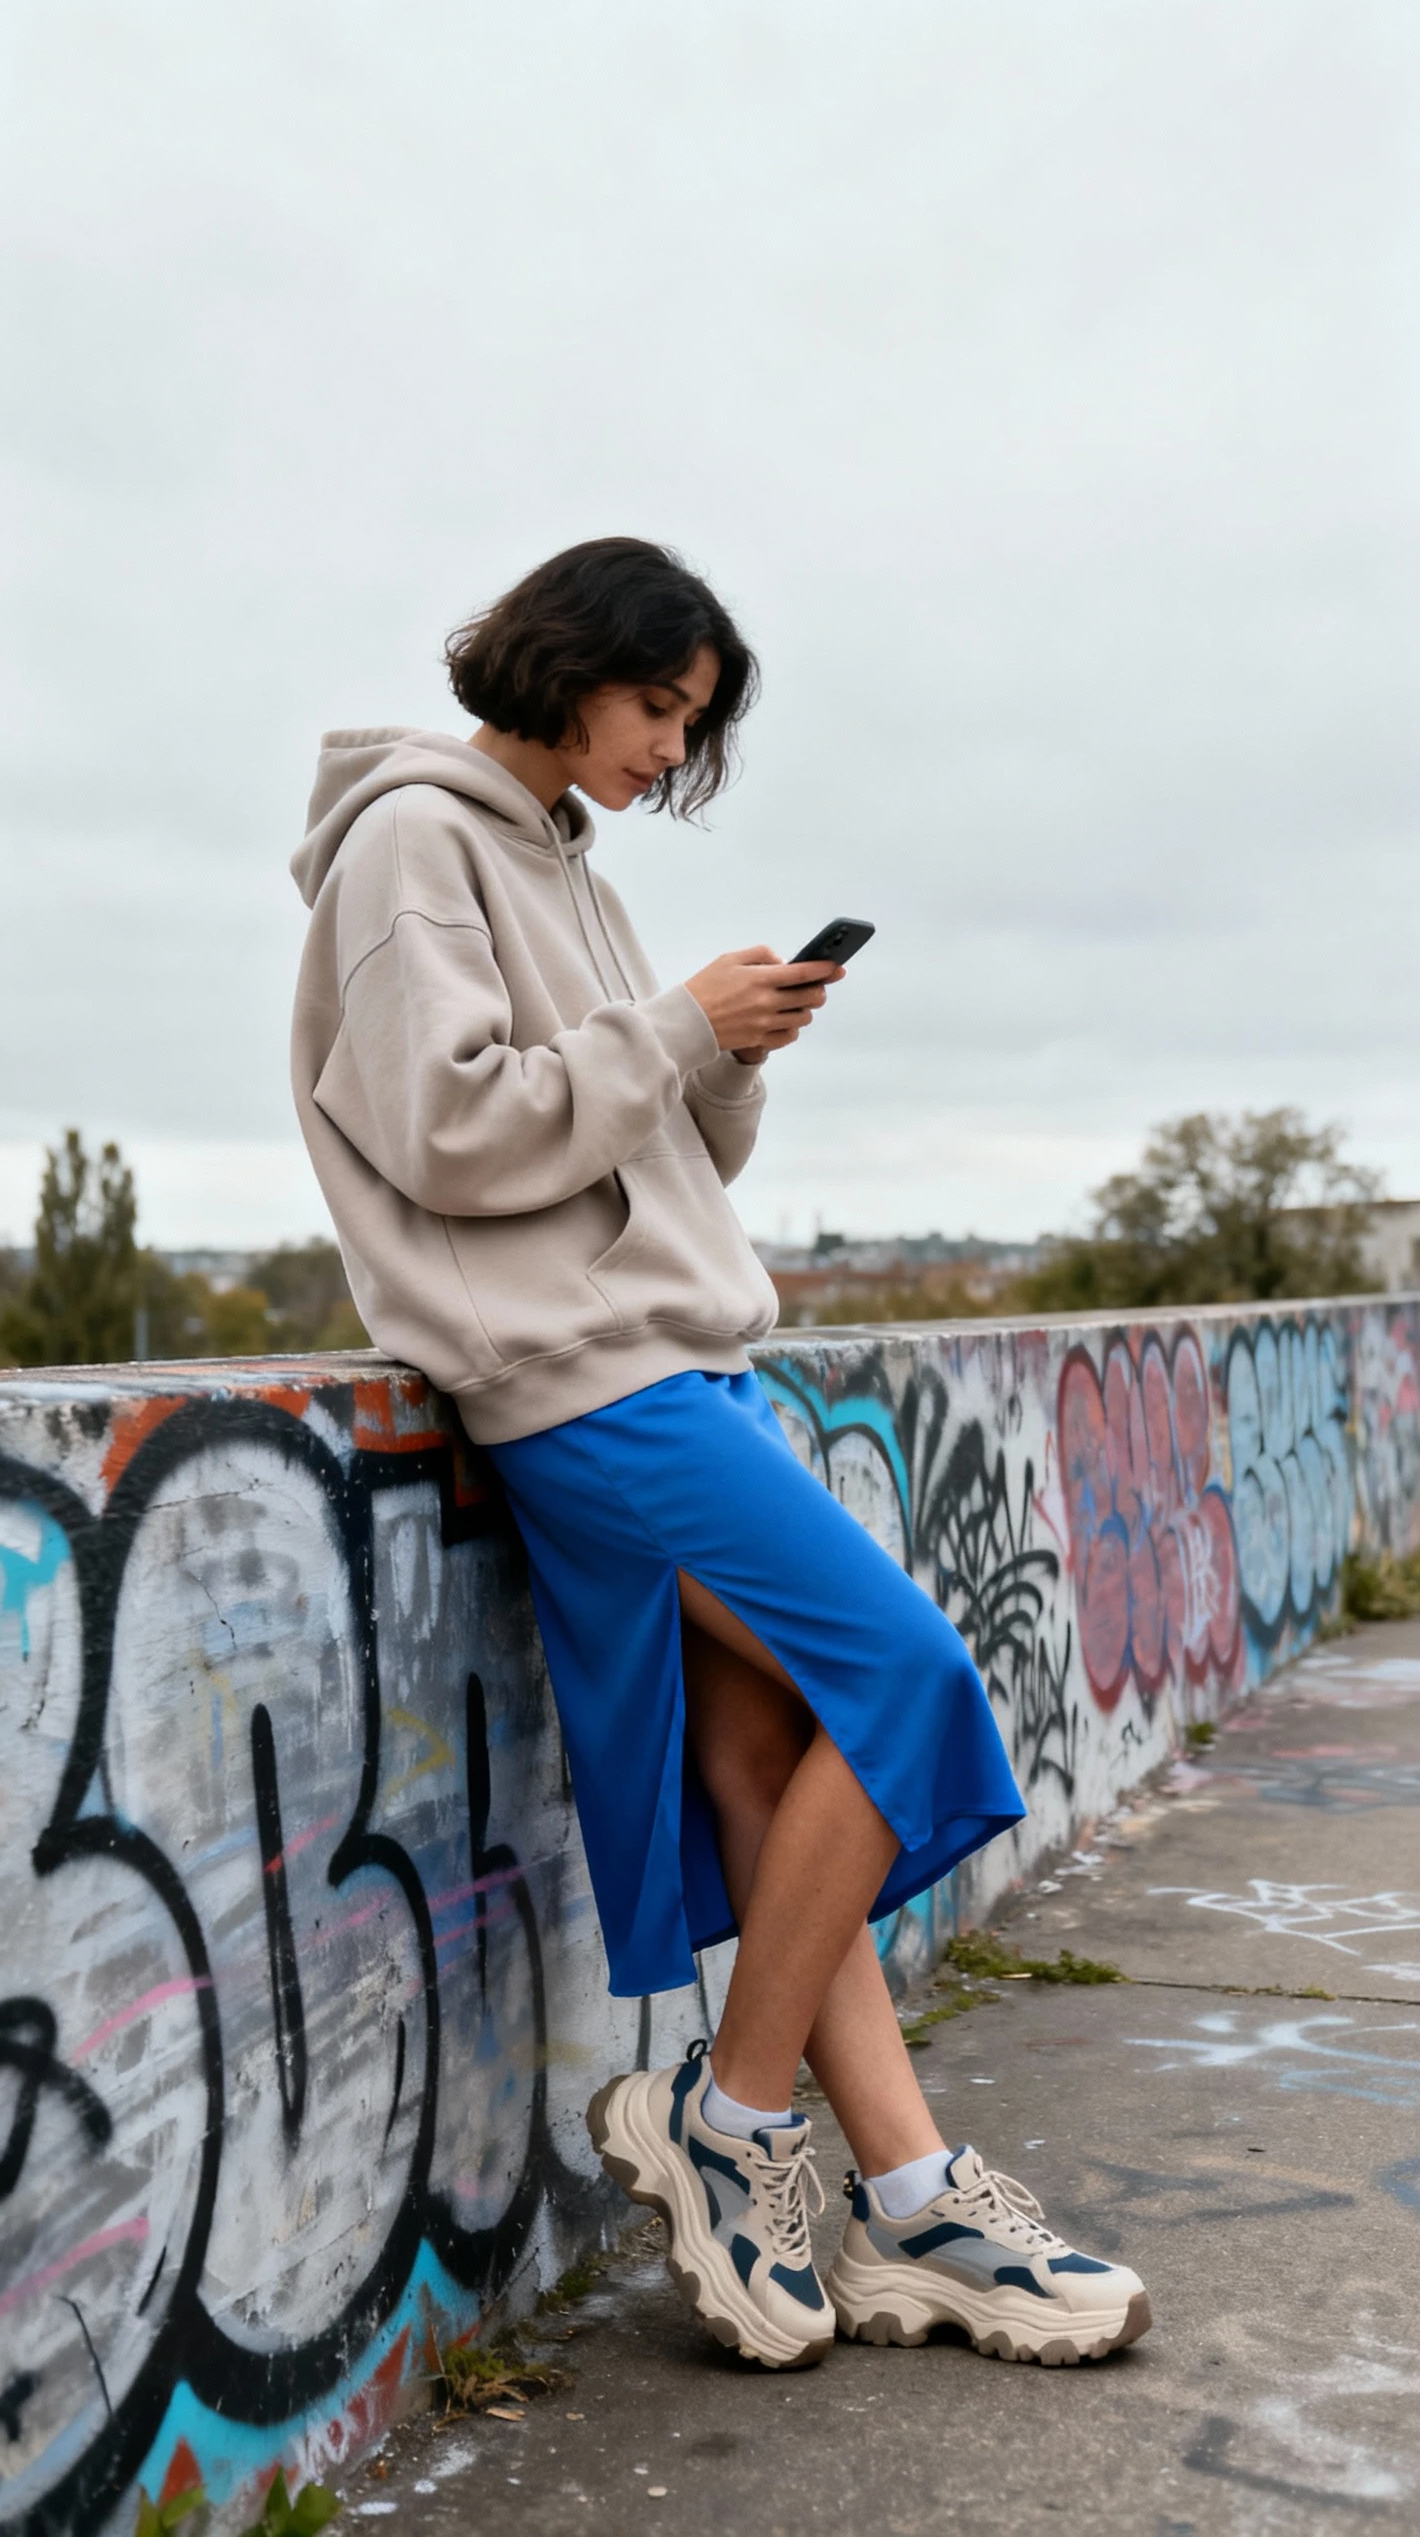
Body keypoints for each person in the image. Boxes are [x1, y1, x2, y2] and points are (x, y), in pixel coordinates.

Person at [290, 536, 1152, 2373]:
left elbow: (660, 1158)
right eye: (657, 708)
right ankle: (733, 2122)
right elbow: (450, 1131)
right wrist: (675, 1027)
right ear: (564, 661)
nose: (669, 754)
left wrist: (724, 1054)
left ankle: (912, 2205)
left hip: (666, 1362)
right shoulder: (410, 844)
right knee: (905, 1683)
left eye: (691, 726)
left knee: (775, 1775)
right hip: (587, 1390)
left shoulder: (561, 860)